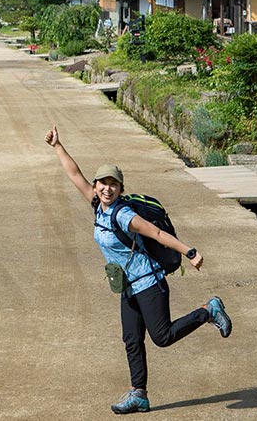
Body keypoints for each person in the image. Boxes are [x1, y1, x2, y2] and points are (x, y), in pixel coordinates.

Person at [44, 125, 231, 415]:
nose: (107, 188)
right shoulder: (98, 207)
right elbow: (74, 175)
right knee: (131, 339)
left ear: (120, 189)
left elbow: (156, 234)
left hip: (148, 282)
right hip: (128, 286)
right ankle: (138, 394)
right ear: (96, 186)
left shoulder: (123, 214)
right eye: (102, 183)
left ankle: (209, 310)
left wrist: (188, 251)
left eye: (113, 184)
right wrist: (58, 146)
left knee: (162, 337)